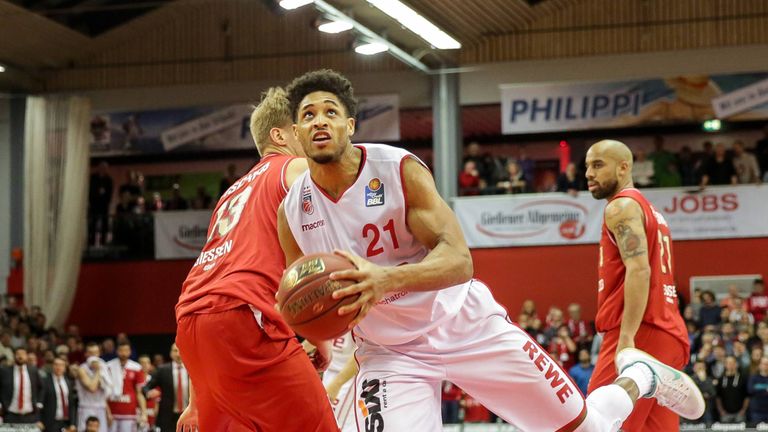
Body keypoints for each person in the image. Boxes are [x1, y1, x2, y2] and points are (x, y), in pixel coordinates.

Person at [278, 69, 704, 431]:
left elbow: (460, 261)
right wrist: (315, 335)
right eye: (308, 115)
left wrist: (382, 279)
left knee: (585, 428)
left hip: (464, 324)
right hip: (391, 354)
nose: (320, 121)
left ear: (350, 125)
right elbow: (306, 293)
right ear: (296, 133)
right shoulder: (292, 211)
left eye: (331, 112)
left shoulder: (396, 170)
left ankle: (639, 377)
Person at [174, 88, 337, 431]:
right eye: (302, 124)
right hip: (242, 321)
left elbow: (214, 284)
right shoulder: (291, 167)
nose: (310, 132)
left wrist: (197, 399)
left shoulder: (230, 192)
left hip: (191, 326)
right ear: (280, 135)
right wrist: (323, 339)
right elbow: (307, 262)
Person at [585, 139, 694, 431]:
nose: (588, 174)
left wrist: (627, 339)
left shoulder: (621, 207)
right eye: (586, 166)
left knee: (596, 423)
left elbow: (639, 270)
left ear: (623, 167)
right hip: (668, 333)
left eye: (597, 165)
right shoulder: (651, 211)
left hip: (639, 330)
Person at [141, 344, 188, 432]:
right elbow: (146, 387)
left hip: (188, 415)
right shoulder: (162, 370)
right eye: (175, 351)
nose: (178, 354)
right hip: (168, 416)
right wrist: (148, 393)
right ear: (170, 353)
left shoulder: (192, 369)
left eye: (180, 350)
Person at [106, 341, 147, 432]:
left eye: (126, 350)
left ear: (130, 352)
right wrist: (107, 411)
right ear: (117, 351)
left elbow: (139, 393)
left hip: (129, 412)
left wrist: (144, 413)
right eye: (121, 350)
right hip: (112, 411)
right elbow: (104, 392)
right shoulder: (108, 366)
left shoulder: (136, 368)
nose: (123, 353)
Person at [322, 333, 357, 432]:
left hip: (348, 375)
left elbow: (363, 349)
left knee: (336, 425)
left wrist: (336, 385)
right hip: (329, 370)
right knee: (324, 422)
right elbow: (320, 334)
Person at [0, 347, 44, 426]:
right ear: (14, 356)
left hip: (30, 414)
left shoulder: (33, 371)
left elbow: (41, 388)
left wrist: (39, 403)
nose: (20, 356)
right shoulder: (5, 371)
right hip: (10, 413)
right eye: (18, 354)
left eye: (23, 354)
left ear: (26, 356)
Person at [42, 357, 78, 432]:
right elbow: (40, 402)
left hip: (66, 422)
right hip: (50, 422)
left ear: (65, 368)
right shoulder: (45, 381)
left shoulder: (68, 382)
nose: (59, 367)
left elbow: (72, 404)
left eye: (61, 365)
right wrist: (39, 420)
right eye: (56, 365)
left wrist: (73, 423)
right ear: (52, 366)